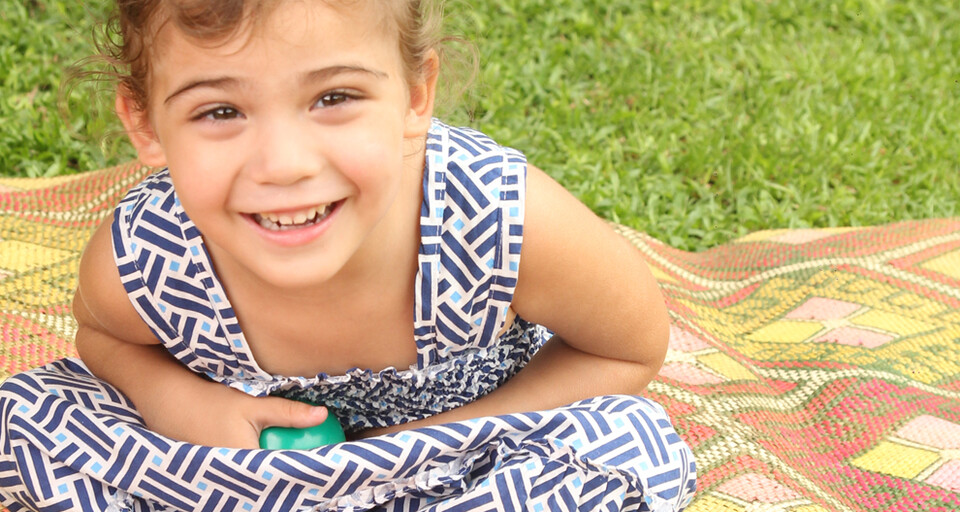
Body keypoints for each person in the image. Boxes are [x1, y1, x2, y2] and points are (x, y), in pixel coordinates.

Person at [0, 0, 696, 510]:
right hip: (244, 470)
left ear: (416, 95)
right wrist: (179, 401)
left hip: (471, 460)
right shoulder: (152, 253)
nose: (284, 165)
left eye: (333, 97)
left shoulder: (493, 217)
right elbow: (101, 335)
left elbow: (628, 350)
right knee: (32, 418)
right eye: (220, 112)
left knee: (617, 444)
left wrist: (426, 441)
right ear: (146, 124)